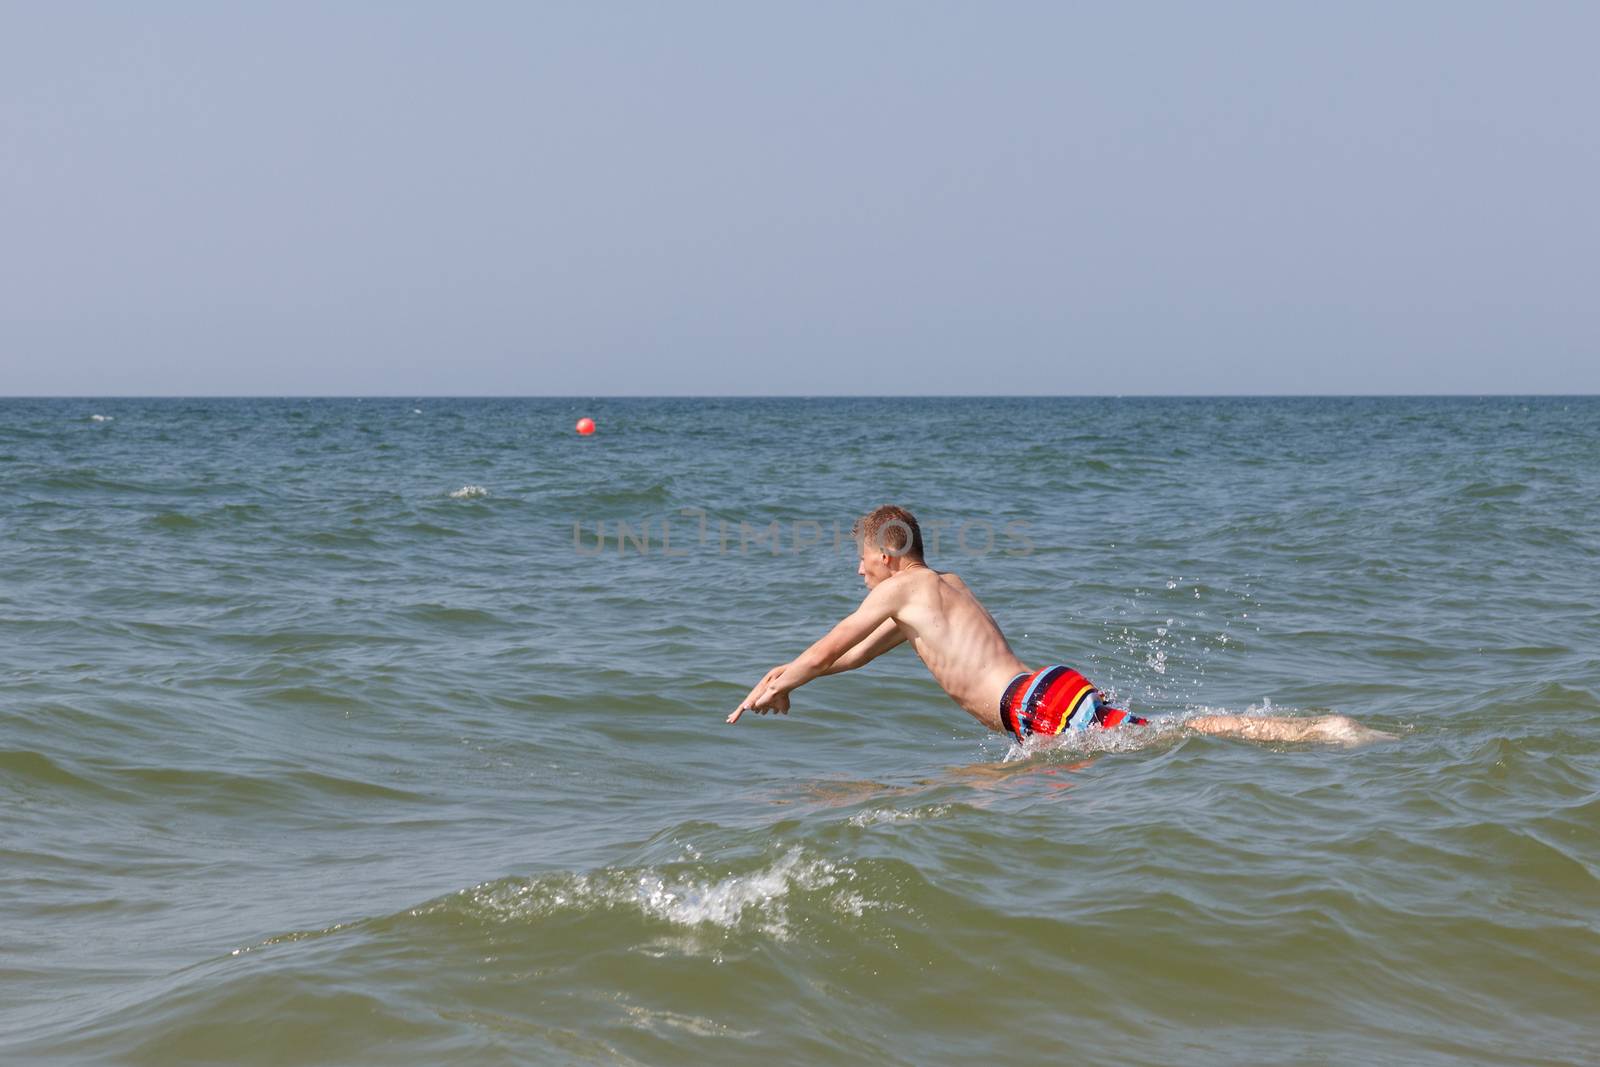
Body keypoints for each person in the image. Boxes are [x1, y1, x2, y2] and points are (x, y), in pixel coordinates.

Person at [727, 505, 1382, 746]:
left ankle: (1318, 731)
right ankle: (1314, 730)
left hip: (1033, 704)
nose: (860, 575)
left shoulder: (902, 588)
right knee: (1162, 732)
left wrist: (771, 687)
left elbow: (833, 640)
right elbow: (852, 657)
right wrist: (787, 680)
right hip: (1044, 691)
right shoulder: (934, 593)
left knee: (1170, 735)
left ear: (889, 556)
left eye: (864, 562)